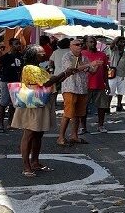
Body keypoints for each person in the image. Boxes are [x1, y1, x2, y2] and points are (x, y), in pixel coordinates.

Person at [11, 44, 79, 177]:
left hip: (41, 103)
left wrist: (66, 74)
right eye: (41, 52)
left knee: (38, 134)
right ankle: (26, 166)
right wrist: (64, 73)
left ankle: (35, 162)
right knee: (29, 134)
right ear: (33, 55)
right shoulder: (29, 68)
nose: (44, 53)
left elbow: (53, 81)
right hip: (32, 104)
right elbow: (47, 83)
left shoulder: (39, 68)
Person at [57, 38, 104, 146]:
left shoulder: (84, 57)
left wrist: (96, 65)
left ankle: (74, 135)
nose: (79, 46)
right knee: (68, 113)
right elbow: (72, 69)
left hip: (82, 88)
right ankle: (61, 137)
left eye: (81, 44)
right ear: (70, 46)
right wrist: (89, 64)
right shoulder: (67, 56)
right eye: (76, 44)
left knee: (78, 114)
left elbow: (91, 71)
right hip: (70, 88)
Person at [81, 36, 110, 133]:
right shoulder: (82, 54)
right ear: (86, 43)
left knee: (102, 106)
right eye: (90, 42)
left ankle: (101, 125)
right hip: (86, 85)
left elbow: (105, 70)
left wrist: (107, 83)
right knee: (83, 107)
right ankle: (83, 127)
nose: (93, 44)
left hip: (100, 84)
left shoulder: (102, 55)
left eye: (94, 42)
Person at [0, 38, 23, 133]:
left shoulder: (21, 56)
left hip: (17, 82)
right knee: (4, 103)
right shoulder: (6, 57)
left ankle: (10, 123)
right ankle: (1, 124)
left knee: (14, 104)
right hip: (6, 81)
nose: (19, 45)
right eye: (16, 44)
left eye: (19, 44)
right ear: (11, 45)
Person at [107, 36, 125, 112]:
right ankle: (107, 106)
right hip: (113, 73)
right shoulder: (114, 50)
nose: (122, 44)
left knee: (121, 91)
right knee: (111, 91)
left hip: (123, 74)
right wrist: (118, 38)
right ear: (117, 42)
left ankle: (119, 105)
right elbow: (112, 44)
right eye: (121, 42)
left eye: (124, 42)